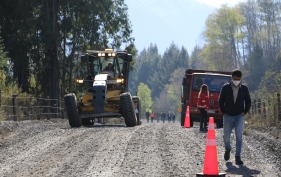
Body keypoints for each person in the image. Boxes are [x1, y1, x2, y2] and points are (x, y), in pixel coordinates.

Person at [219, 69, 251, 165]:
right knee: (226, 137)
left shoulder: (244, 89)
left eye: (238, 79)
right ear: (231, 78)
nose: (236, 80)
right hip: (227, 115)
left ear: (241, 78)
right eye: (234, 78)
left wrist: (244, 112)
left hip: (239, 116)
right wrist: (223, 112)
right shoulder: (225, 88)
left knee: (239, 135)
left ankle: (238, 156)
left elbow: (248, 101)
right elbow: (221, 101)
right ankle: (227, 148)